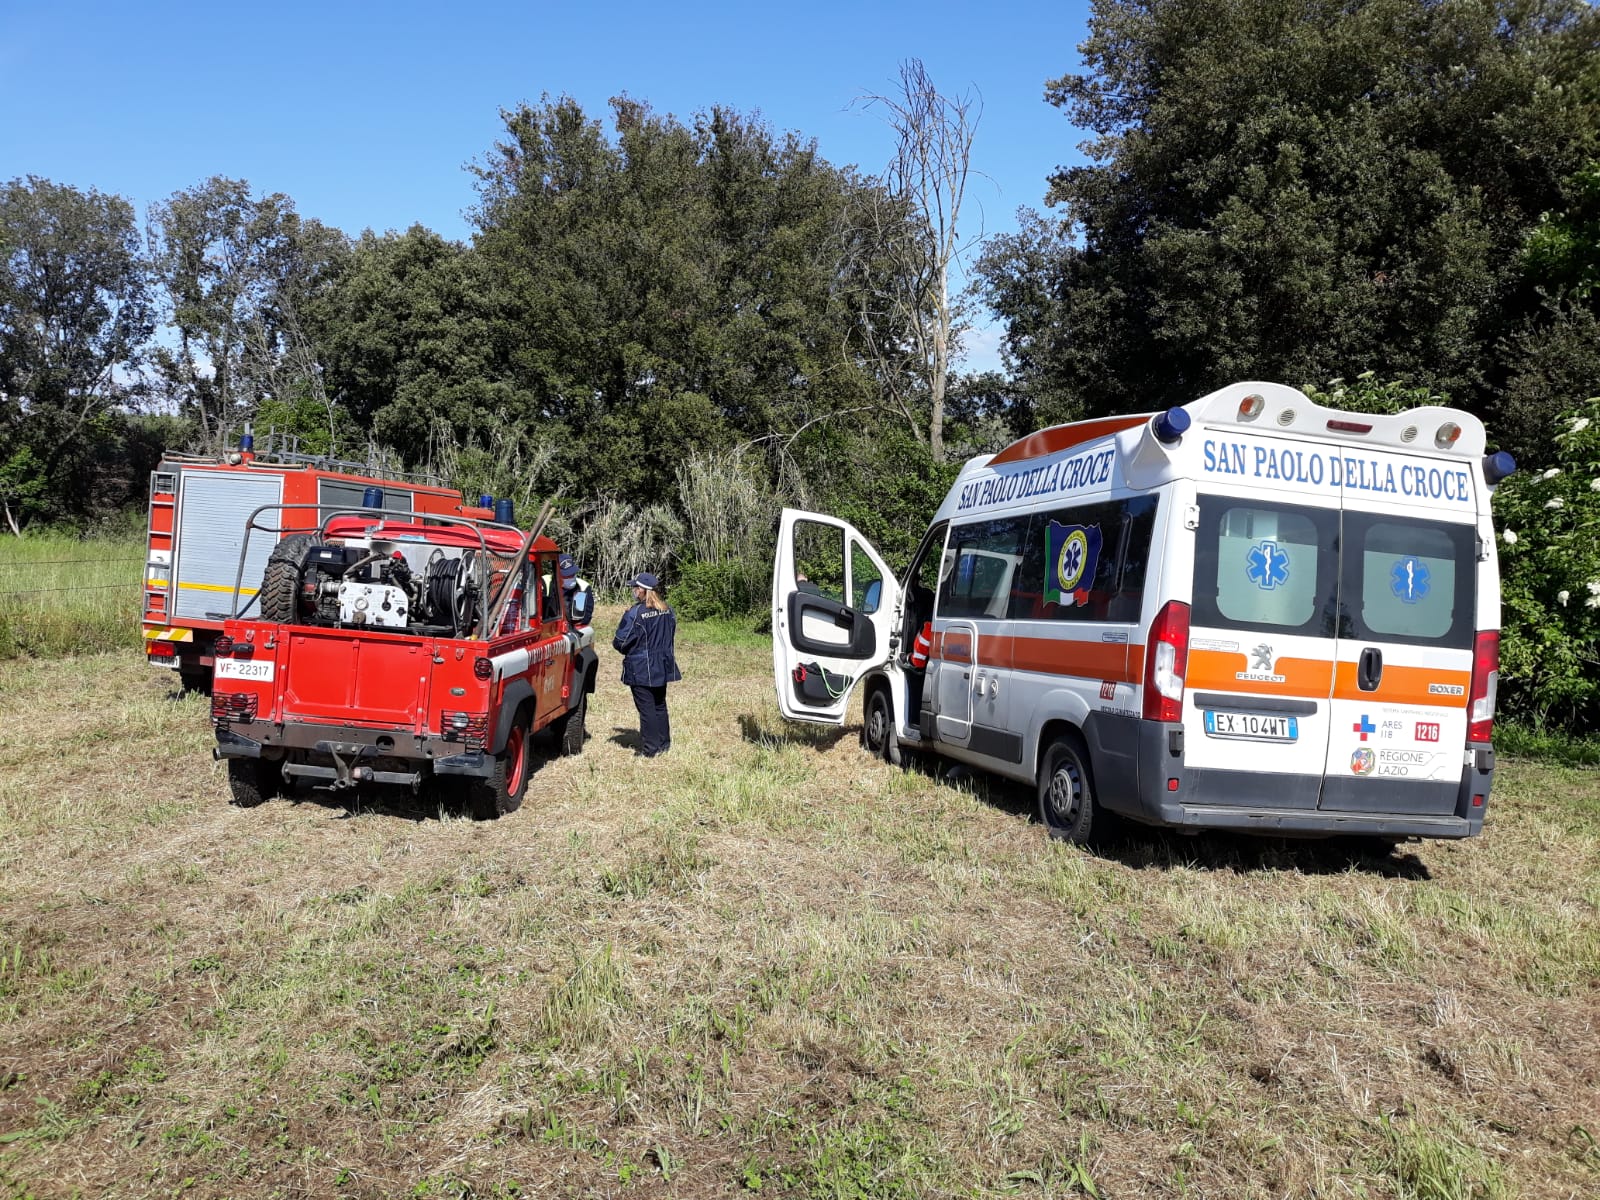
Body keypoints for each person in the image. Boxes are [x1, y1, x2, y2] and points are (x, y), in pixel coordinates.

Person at [612, 571, 681, 756]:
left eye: (635, 587)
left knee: (647, 708)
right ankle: (663, 744)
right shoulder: (668, 610)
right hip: (662, 663)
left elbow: (621, 642)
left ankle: (650, 749)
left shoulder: (635, 613)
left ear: (642, 590)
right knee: (659, 705)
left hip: (641, 667)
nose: (633, 590)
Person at [559, 554, 593, 628]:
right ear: (558, 574)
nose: (571, 577)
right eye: (567, 575)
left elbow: (586, 617)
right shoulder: (546, 585)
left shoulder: (583, 587)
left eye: (573, 574)